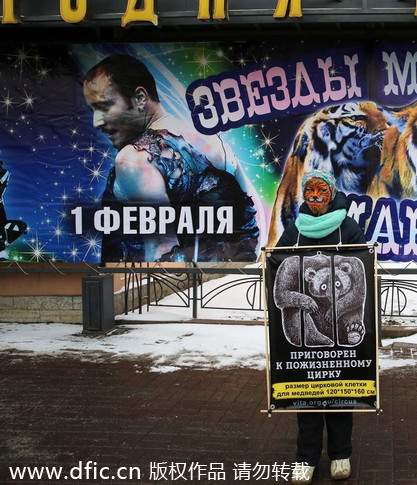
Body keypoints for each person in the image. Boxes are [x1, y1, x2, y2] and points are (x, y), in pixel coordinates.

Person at [82, 54, 265, 262]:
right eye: (92, 110)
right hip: (233, 278)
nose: (96, 122)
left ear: (140, 98)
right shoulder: (211, 141)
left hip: (164, 283)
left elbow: (162, 250)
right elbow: (253, 221)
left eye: (104, 107)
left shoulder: (135, 158)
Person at [275, 169, 365, 484]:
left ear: (332, 193)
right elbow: (277, 267)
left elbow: (362, 273)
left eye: (321, 191)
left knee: (340, 395)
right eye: (309, 192)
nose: (315, 198)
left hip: (340, 323)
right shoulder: (295, 229)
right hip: (306, 328)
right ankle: (306, 457)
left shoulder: (348, 227)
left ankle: (341, 454)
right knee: (308, 396)